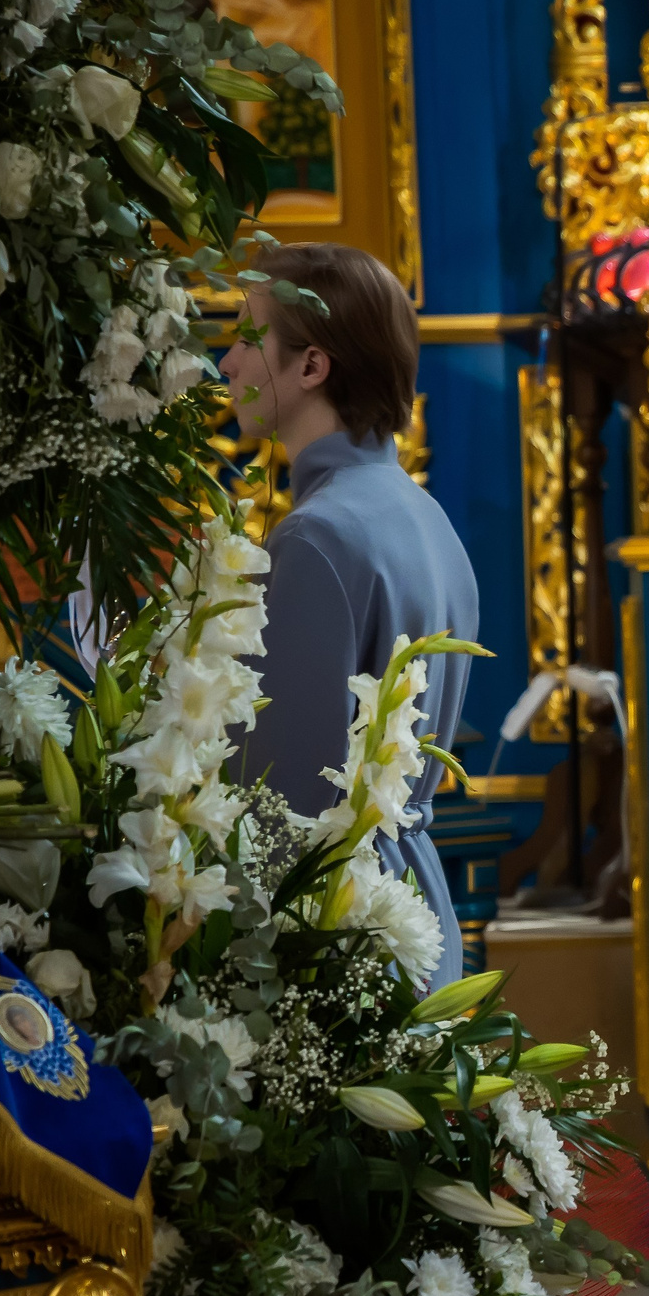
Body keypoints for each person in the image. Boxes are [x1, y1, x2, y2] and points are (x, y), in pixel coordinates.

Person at [223, 243, 479, 1000]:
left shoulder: (315, 536)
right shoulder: (429, 519)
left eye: (248, 337)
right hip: (415, 914)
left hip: (339, 934)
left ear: (312, 366)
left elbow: (282, 808)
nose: (229, 363)